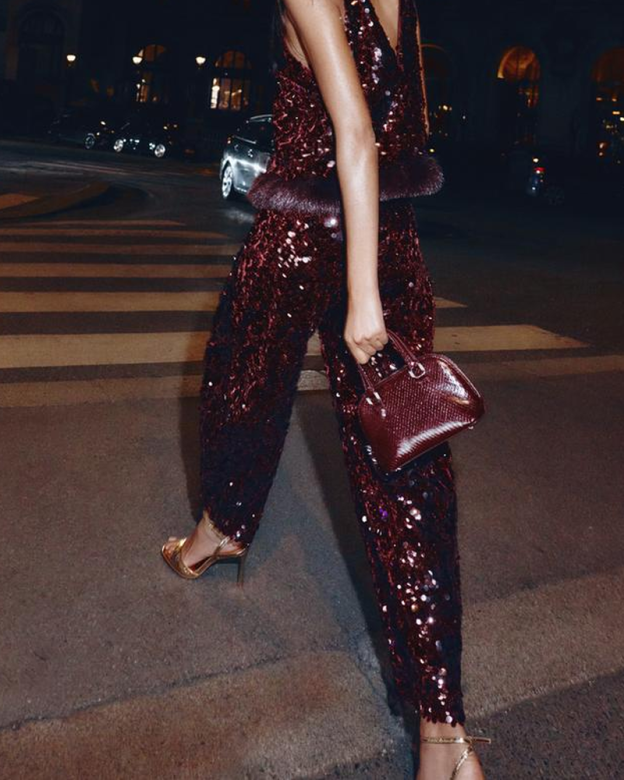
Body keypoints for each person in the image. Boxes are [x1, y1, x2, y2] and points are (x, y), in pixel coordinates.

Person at [162, 0, 490, 777]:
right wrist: (387, 276)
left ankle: (221, 530)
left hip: (307, 237)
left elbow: (355, 134)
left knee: (240, 381)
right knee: (408, 469)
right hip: (393, 235)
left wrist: (364, 298)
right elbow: (396, 123)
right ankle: (445, 735)